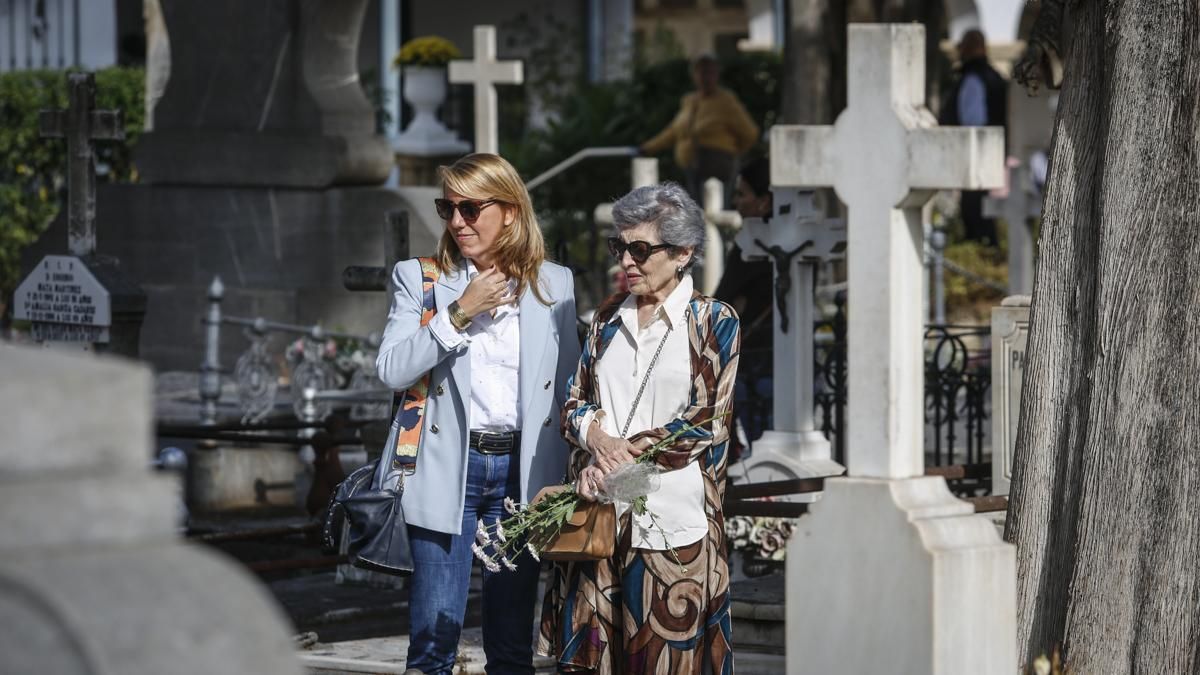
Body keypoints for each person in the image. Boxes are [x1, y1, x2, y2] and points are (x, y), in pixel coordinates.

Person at [375, 153, 581, 675]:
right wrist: (460, 311)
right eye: (448, 208)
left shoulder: (555, 284)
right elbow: (392, 369)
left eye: (470, 208)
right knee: (432, 644)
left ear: (510, 211)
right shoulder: (422, 280)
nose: (457, 222)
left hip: (522, 473)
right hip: (450, 469)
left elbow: (572, 385)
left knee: (512, 650)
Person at [538, 182, 741, 674]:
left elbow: (703, 423)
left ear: (683, 253)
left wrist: (618, 461)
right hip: (598, 523)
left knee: (665, 662)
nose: (626, 260)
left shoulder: (713, 321)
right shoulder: (606, 318)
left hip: (674, 529)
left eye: (640, 248)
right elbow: (572, 402)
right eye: (619, 246)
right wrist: (596, 445)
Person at [640, 53, 760, 202]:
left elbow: (750, 133)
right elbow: (673, 131)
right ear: (694, 75)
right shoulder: (690, 100)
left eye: (710, 72)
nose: (706, 77)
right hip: (691, 166)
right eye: (701, 72)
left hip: (718, 166)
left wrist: (733, 152)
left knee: (714, 209)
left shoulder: (726, 100)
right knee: (693, 212)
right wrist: (648, 148)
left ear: (717, 75)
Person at [714, 157, 774, 452]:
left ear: (764, 201)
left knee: (760, 442)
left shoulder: (753, 245)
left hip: (759, 361)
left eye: (742, 194)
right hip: (771, 358)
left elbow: (724, 301)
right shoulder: (752, 242)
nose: (736, 202)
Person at [941, 28, 1008, 245]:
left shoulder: (973, 80)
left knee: (976, 219)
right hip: (992, 159)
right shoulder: (994, 77)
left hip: (976, 161)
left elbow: (972, 124)